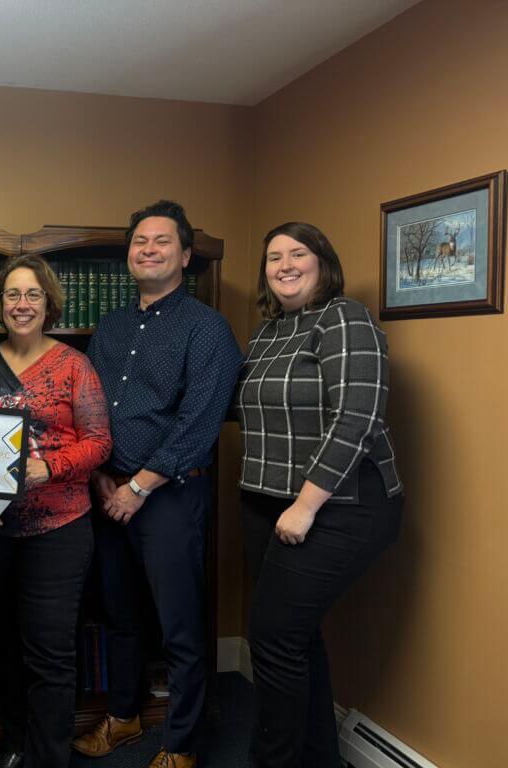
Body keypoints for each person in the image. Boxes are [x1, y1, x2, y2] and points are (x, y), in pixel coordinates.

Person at [74, 200, 242, 768]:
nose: (148, 249)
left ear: (186, 255)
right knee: (119, 615)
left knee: (179, 625)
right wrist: (100, 475)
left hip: (168, 495)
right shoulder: (113, 324)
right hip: (108, 491)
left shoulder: (208, 328)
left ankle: (181, 744)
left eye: (162, 241)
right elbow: (90, 405)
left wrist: (137, 487)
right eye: (139, 241)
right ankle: (123, 718)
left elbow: (199, 424)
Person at [235, 222, 403, 768]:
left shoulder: (345, 317)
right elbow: (244, 408)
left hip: (340, 502)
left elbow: (357, 418)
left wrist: (306, 505)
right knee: (295, 638)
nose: (284, 264)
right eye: (273, 255)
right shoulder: (267, 334)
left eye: (298, 253)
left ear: (323, 262)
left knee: (274, 637)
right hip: (267, 497)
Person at [0, 255, 112, 768]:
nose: (21, 305)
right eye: (12, 295)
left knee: (50, 650)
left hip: (60, 527)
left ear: (49, 304)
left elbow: (99, 444)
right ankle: (16, 741)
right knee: (3, 640)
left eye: (32, 295)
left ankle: (49, 758)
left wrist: (49, 467)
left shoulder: (74, 365)